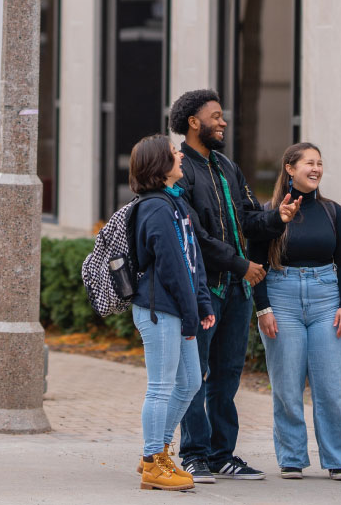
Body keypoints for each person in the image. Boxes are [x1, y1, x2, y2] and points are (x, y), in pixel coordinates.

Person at [169, 90, 284, 482]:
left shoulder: (227, 167)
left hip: (237, 291)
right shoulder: (179, 169)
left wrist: (278, 217)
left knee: (227, 375)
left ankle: (222, 454)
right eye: (215, 116)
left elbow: (250, 219)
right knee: (194, 374)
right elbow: (194, 234)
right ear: (193, 122)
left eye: (223, 116)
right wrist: (241, 264)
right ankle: (194, 454)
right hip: (203, 290)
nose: (223, 122)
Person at [246, 143, 341, 481]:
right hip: (281, 296)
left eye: (320, 163)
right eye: (310, 162)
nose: (317, 168)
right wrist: (263, 308)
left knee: (331, 386)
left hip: (327, 297)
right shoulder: (268, 213)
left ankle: (337, 458)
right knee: (287, 385)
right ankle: (292, 457)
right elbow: (257, 265)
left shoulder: (333, 213)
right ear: (290, 169)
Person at [126, 134, 217, 492]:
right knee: (162, 387)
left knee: (191, 382)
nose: (180, 155)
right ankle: (153, 462)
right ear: (159, 165)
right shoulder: (155, 207)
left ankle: (158, 451)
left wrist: (203, 301)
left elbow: (192, 261)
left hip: (176, 309)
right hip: (159, 310)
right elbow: (170, 266)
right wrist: (191, 312)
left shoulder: (173, 203)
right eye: (173, 153)